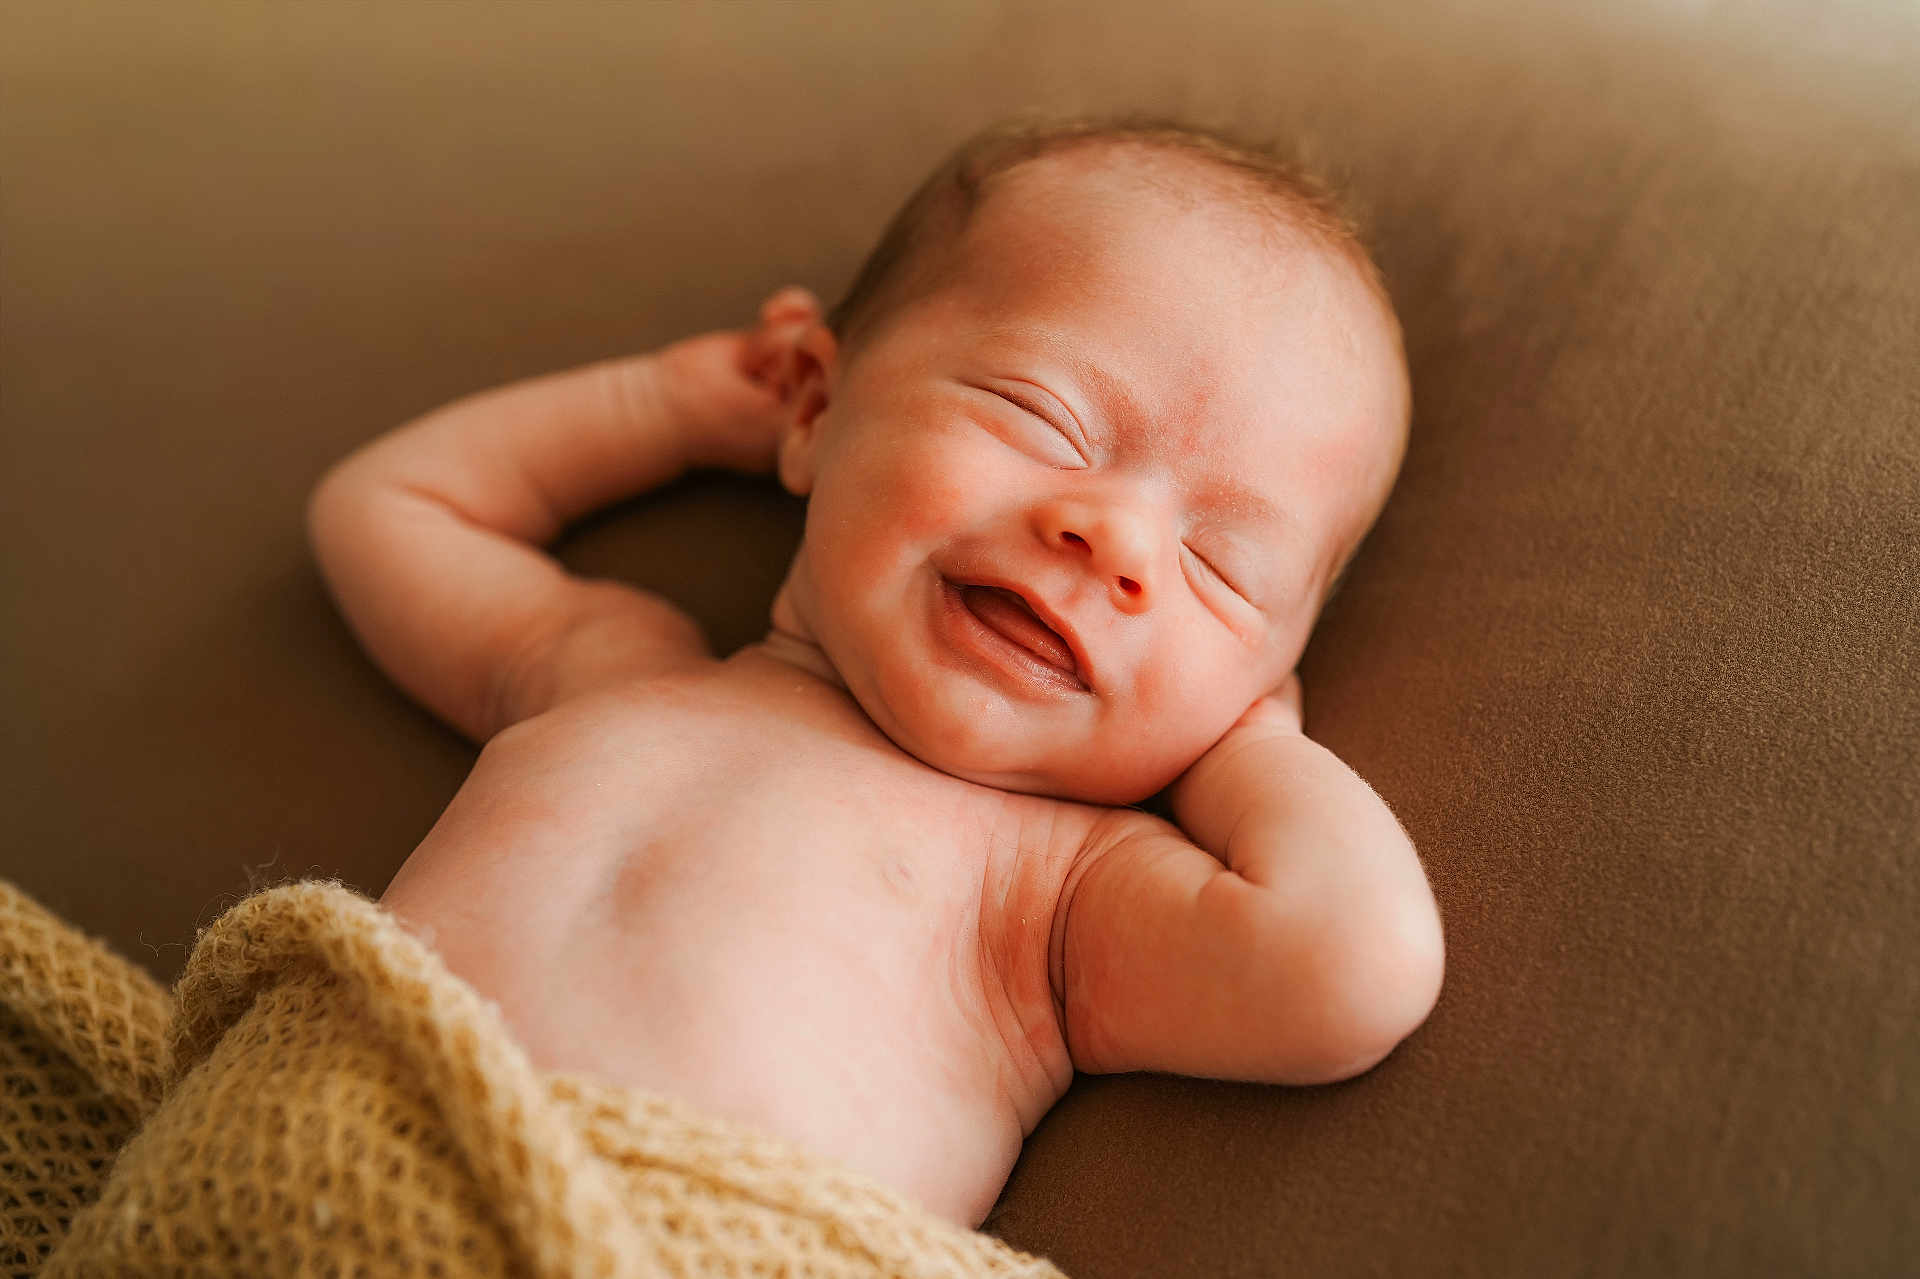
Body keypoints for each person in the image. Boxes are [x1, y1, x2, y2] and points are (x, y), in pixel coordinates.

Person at [306, 118, 1445, 1230]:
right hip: (304, 1174)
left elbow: (1354, 965)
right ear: (812, 402)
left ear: (1266, 670)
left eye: (1221, 566)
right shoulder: (613, 671)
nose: (1120, 542)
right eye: (1045, 418)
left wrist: (1249, 748)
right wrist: (664, 409)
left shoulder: (1054, 901)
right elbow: (389, 509)